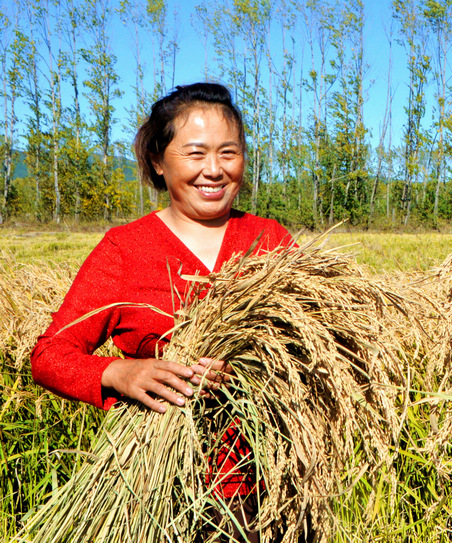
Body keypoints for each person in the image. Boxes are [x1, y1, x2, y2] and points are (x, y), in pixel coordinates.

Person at [31, 82, 293, 541]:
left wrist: (259, 369)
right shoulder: (125, 250)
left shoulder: (270, 241)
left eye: (228, 153)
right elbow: (50, 356)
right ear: (158, 160)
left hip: (273, 490)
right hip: (161, 496)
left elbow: (325, 348)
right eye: (195, 154)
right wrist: (120, 373)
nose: (213, 170)